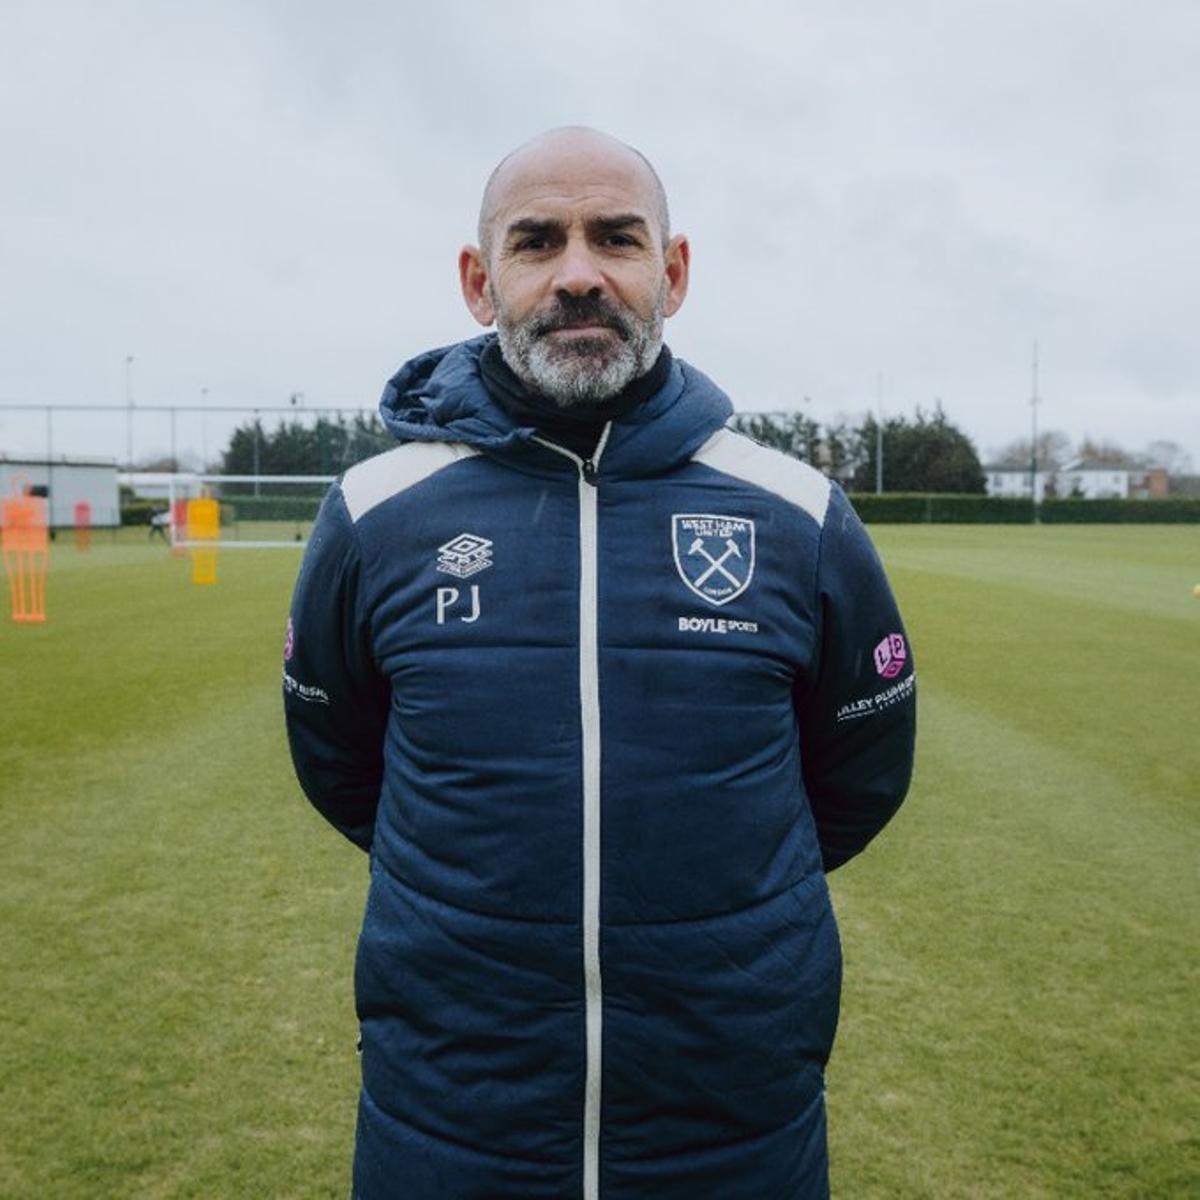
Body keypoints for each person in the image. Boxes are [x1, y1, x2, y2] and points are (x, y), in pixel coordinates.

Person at [283, 126, 916, 1200]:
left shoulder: (797, 516)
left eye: (615, 238)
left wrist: (706, 901)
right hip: (450, 1123)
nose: (579, 273)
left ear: (670, 273)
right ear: (481, 283)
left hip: (729, 1127)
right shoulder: (375, 515)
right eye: (537, 242)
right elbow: (343, 765)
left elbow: (856, 775)